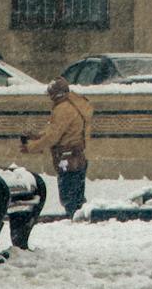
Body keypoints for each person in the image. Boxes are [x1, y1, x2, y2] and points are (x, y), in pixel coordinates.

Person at [22, 77, 92, 219]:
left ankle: (76, 223)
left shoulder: (63, 109)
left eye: (51, 94)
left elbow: (53, 137)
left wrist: (31, 147)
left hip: (68, 158)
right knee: (76, 196)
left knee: (69, 198)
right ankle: (78, 219)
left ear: (56, 94)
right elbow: (54, 130)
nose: (50, 98)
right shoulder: (71, 104)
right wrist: (37, 136)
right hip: (76, 157)